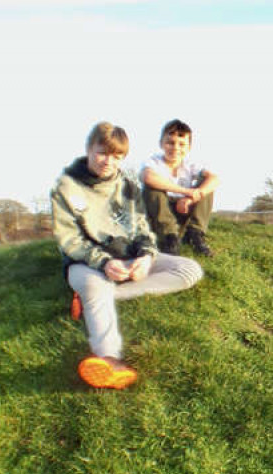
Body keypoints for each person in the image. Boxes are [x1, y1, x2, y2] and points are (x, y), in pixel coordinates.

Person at [51, 121, 204, 389]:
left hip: (128, 257)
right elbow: (69, 240)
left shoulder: (128, 184)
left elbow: (142, 228)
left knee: (190, 270)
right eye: (102, 153)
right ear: (89, 149)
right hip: (86, 263)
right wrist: (105, 262)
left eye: (117, 156)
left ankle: (96, 299)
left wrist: (145, 257)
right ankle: (109, 360)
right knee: (95, 285)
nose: (108, 161)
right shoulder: (66, 186)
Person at [140, 119, 220, 257]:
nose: (176, 148)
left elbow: (215, 179)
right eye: (170, 142)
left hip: (183, 209)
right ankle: (168, 238)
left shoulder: (191, 165)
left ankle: (194, 234)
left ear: (188, 147)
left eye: (182, 144)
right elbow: (148, 177)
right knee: (152, 188)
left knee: (206, 184)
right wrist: (187, 192)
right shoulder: (153, 161)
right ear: (161, 144)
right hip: (160, 213)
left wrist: (190, 199)